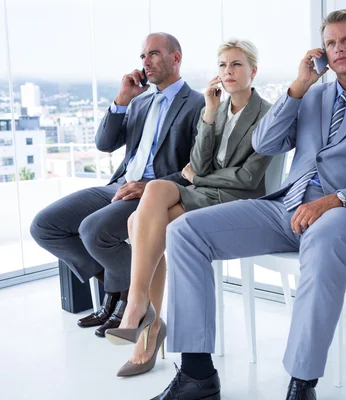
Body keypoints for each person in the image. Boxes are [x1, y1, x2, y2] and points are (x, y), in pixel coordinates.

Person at [145, 10, 346, 400]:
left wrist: (334, 200)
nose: (338, 49)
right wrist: (299, 85)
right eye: (330, 43)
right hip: (286, 208)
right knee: (184, 231)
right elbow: (265, 144)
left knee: (322, 241)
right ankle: (197, 374)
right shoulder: (310, 95)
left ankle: (301, 384)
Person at [104, 39, 273, 377]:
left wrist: (201, 177)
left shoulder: (267, 114)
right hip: (205, 194)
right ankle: (144, 314)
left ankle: (142, 315)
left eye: (237, 65)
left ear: (253, 71)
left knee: (143, 218)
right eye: (223, 65)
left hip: (237, 202)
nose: (228, 72)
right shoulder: (216, 109)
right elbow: (196, 162)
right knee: (142, 214)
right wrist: (209, 115)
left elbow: (247, 177)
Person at [29, 32, 204, 337]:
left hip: (156, 194)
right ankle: (120, 289)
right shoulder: (139, 101)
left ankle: (122, 298)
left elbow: (197, 167)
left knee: (92, 230)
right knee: (44, 226)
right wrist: (121, 100)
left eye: (153, 54)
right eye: (143, 56)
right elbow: (104, 144)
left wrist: (152, 185)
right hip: (119, 185)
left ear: (176, 58)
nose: (145, 61)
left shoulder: (197, 103)